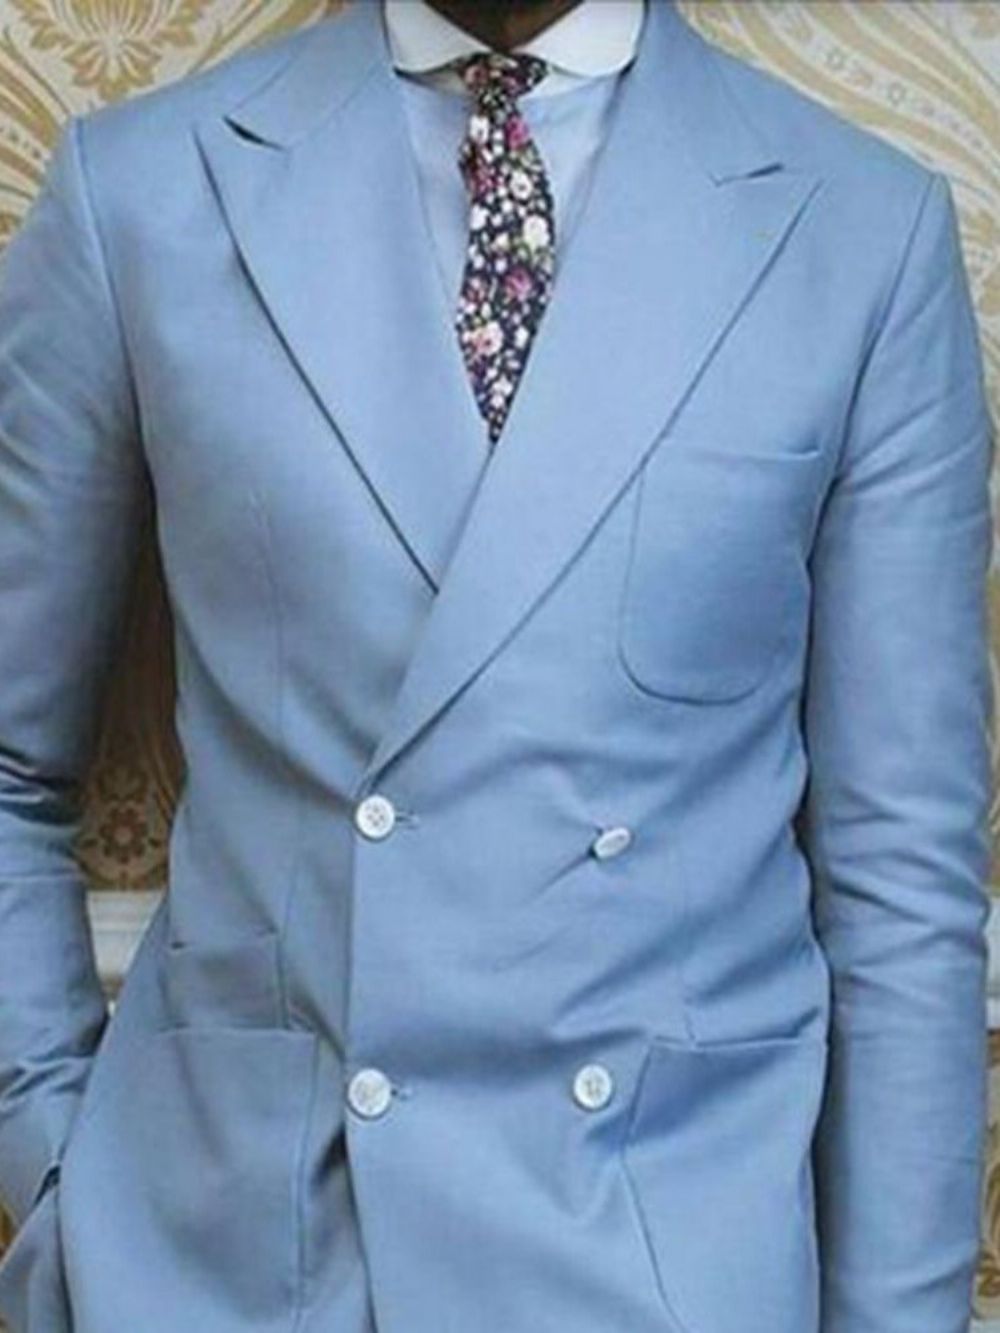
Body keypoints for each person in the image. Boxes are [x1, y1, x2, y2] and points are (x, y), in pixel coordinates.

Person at [0, 0, 993, 1330]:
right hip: (238, 1267)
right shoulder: (140, 192)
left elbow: (902, 870)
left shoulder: (862, 232)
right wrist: (58, 1171)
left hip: (660, 1269)